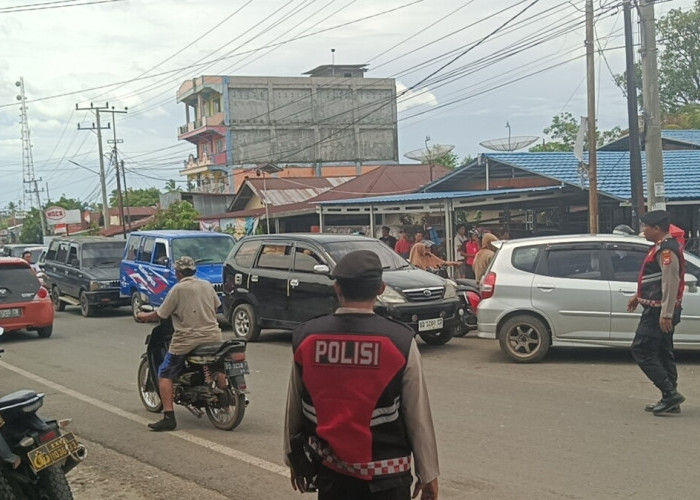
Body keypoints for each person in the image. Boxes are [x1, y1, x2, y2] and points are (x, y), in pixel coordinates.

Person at [284, 250, 440, 500]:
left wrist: (293, 459)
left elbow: (295, 407)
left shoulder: (307, 338)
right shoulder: (399, 341)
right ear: (381, 288)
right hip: (388, 481)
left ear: (337, 288)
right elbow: (417, 414)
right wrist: (428, 473)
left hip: (333, 477)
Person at [136, 256, 223, 431]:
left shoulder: (178, 289)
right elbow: (216, 306)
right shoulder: (207, 285)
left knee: (164, 373)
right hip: (214, 336)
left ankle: (169, 417)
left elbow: (160, 313)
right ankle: (222, 392)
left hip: (187, 339)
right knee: (219, 365)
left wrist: (144, 316)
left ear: (179, 273)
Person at [626, 210, 686, 415]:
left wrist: (666, 313)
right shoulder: (661, 247)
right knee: (663, 352)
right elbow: (656, 279)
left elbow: (670, 282)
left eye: (646, 227)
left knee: (641, 349)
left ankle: (670, 394)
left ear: (657, 229)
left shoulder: (667, 250)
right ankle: (671, 399)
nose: (643, 231)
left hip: (658, 311)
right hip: (659, 308)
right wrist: (637, 296)